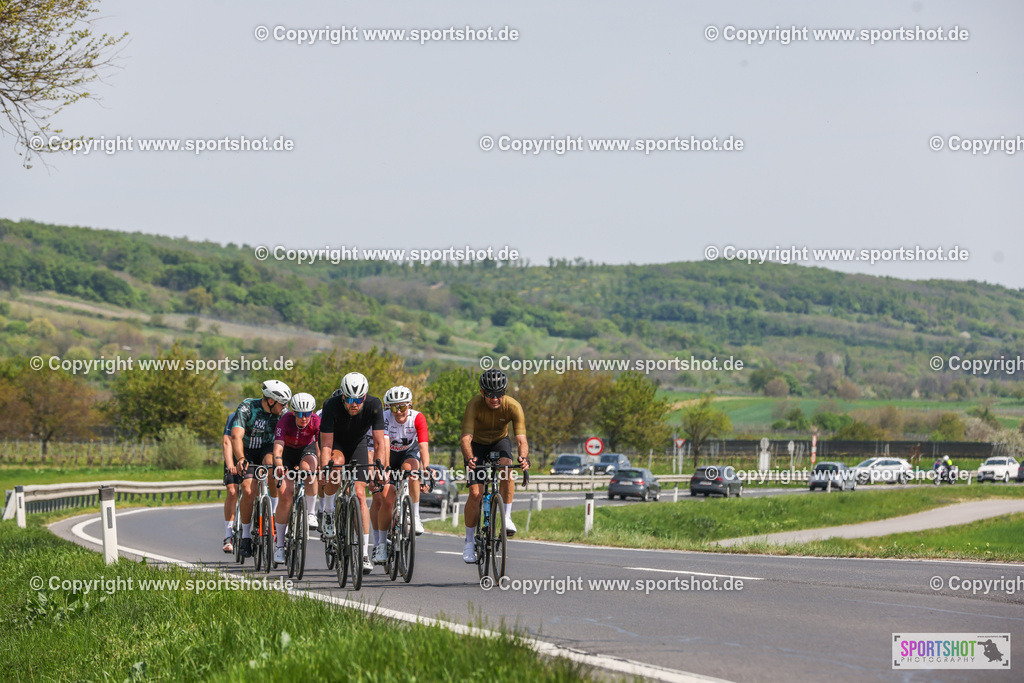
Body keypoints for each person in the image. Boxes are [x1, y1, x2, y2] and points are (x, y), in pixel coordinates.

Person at [319, 372, 386, 575]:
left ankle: (364, 553)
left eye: (358, 400)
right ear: (342, 397)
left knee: (359, 494)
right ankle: (329, 512)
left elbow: (379, 442)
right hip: (337, 444)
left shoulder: (375, 404)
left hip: (358, 444)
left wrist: (379, 467)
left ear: (365, 397)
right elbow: (326, 445)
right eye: (349, 399)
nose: (354, 404)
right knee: (336, 465)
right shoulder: (331, 405)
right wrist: (324, 469)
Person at [460, 369, 529, 563]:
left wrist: (523, 458)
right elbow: (466, 438)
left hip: (500, 441)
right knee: (475, 494)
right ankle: (469, 541)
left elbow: (521, 439)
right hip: (476, 446)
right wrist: (470, 458)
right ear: (482, 392)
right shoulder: (473, 404)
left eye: (499, 393)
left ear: (505, 391)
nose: (495, 398)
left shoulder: (513, 406)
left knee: (507, 468)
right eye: (490, 394)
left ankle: (506, 517)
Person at [371, 385, 430, 565]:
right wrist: (386, 469)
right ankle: (381, 544)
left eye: (402, 407)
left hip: (408, 453)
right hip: (390, 454)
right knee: (387, 499)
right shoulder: (385, 417)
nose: (399, 412)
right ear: (389, 407)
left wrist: (425, 470)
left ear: (410, 405)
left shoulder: (418, 417)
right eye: (394, 407)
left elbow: (423, 447)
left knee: (412, 471)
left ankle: (416, 517)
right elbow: (384, 444)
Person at [232, 379, 291, 558]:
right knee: (248, 490)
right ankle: (245, 536)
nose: (284, 407)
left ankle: (271, 514)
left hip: (268, 448)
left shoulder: (283, 413)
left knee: (273, 469)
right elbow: (236, 436)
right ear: (271, 401)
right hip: (247, 450)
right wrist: (241, 458)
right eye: (282, 403)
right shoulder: (248, 408)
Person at [271, 393, 320, 565]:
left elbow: (320, 445)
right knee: (285, 494)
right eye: (299, 413)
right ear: (293, 412)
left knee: (310, 471)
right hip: (287, 454)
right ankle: (279, 546)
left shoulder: (315, 421)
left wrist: (321, 464)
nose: (304, 417)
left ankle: (311, 513)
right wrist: (278, 464)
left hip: (307, 450)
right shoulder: (285, 420)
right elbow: (277, 449)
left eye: (307, 413)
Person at [221, 411, 241, 553]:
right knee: (232, 492)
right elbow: (227, 442)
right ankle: (228, 536)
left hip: (251, 455)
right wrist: (230, 465)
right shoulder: (233, 417)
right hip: (233, 457)